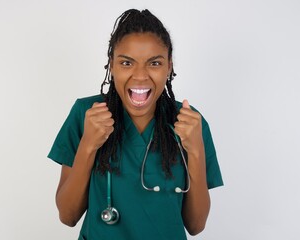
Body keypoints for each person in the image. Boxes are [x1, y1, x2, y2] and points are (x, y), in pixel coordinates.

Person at [48, 9, 223, 240]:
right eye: (127, 62)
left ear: (169, 66)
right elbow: (67, 216)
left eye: (155, 63)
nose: (140, 76)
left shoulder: (189, 122)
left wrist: (196, 151)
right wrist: (88, 145)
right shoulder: (86, 114)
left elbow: (196, 225)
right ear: (112, 65)